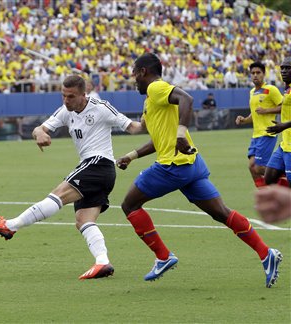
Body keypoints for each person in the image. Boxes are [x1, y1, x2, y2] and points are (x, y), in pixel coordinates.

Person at [116, 53, 282, 288]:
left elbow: (187, 99)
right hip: (190, 165)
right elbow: (159, 140)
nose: (133, 80)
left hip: (173, 167)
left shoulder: (156, 88)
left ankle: (163, 257)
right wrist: (131, 156)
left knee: (129, 205)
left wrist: (182, 131)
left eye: (134, 73)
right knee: (221, 213)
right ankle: (267, 253)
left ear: (143, 71)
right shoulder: (152, 101)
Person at [0, 75, 143, 280]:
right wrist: (38, 134)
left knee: (58, 194)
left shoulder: (101, 107)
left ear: (83, 95)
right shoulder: (66, 110)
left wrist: (150, 120)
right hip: (96, 170)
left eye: (71, 96)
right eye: (63, 96)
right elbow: (41, 128)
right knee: (83, 220)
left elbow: (134, 127)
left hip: (99, 164)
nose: (66, 100)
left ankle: (11, 226)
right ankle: (102, 262)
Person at [235, 62, 283, 188]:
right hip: (256, 135)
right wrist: (244, 120)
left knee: (259, 167)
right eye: (253, 73)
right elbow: (255, 113)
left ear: (264, 74)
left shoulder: (271, 90)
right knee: (252, 167)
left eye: (258, 73)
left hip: (267, 132)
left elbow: (285, 107)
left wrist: (266, 111)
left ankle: (285, 176)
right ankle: (264, 194)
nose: (255, 75)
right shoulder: (252, 92)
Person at [264, 57, 291, 187]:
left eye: (288, 68)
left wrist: (284, 125)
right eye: (282, 68)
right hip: (285, 143)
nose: (284, 71)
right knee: (269, 177)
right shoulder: (287, 88)